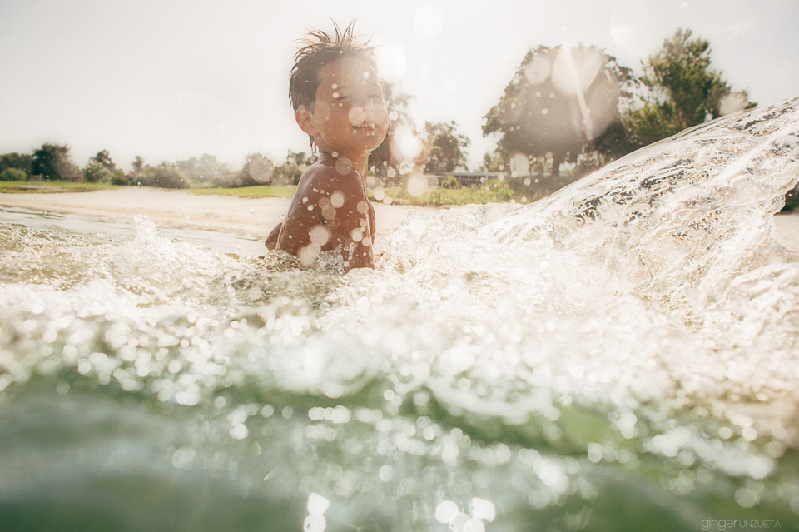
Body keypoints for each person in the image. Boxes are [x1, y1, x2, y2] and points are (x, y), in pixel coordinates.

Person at [265, 22, 388, 271]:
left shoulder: (320, 175)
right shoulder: (340, 179)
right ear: (307, 120)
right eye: (344, 98)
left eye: (374, 95)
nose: (365, 107)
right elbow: (362, 280)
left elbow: (272, 242)